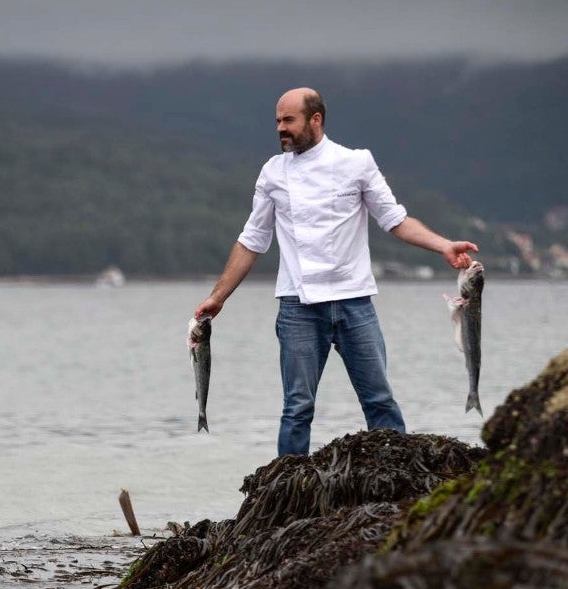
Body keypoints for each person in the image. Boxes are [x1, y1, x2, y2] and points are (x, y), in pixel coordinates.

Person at [193, 87, 478, 457]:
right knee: (297, 409)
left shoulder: (356, 162)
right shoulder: (273, 172)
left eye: (288, 120)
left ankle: (400, 479)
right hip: (298, 306)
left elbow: (394, 219)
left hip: (354, 303)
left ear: (315, 119)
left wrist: (443, 245)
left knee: (380, 401)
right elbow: (252, 240)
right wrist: (218, 297)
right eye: (277, 121)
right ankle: (286, 495)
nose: (281, 128)